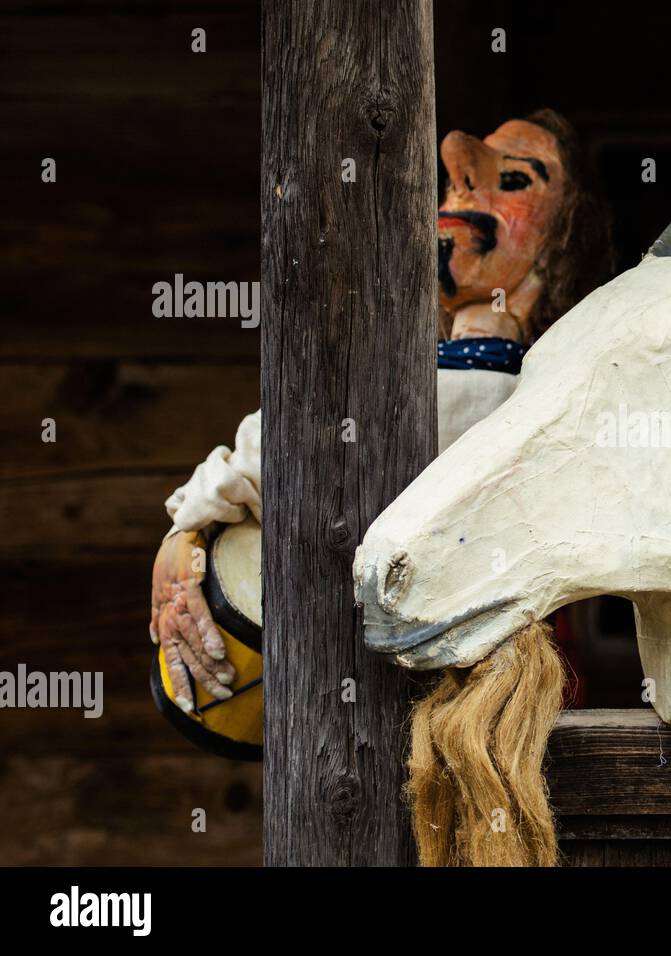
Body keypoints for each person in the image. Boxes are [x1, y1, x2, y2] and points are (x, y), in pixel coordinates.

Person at [149, 109, 614, 723]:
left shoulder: (534, 388)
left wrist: (194, 518)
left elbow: (289, 446)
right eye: (451, 187)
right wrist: (188, 538)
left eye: (518, 180)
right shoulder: (415, 373)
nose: (460, 183)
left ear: (564, 244)